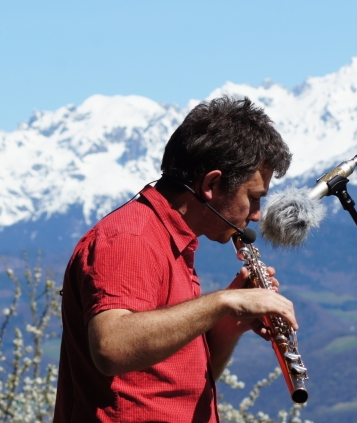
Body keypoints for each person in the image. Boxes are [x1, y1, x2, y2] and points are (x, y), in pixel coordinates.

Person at [53, 96, 298, 423]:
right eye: (253, 198)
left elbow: (175, 381)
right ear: (211, 184)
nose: (256, 216)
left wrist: (227, 326)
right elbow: (111, 346)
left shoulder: (174, 241)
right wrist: (225, 301)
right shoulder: (132, 238)